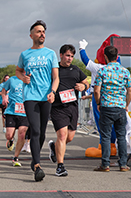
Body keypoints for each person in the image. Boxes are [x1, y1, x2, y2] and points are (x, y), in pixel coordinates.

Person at [15, 20, 59, 182]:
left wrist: (53, 92)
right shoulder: (25, 54)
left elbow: (56, 77)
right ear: (31, 35)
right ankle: (37, 166)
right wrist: (23, 78)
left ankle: (35, 159)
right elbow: (18, 71)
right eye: (39, 31)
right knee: (34, 129)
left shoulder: (50, 54)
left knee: (41, 132)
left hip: (46, 97)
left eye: (44, 32)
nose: (42, 34)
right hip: (30, 97)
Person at [48, 44, 89, 177]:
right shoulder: (54, 69)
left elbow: (86, 82)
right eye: (67, 55)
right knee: (62, 135)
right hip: (58, 107)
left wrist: (83, 86)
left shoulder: (76, 69)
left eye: (71, 56)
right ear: (60, 55)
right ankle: (60, 166)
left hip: (72, 106)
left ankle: (55, 148)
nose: (69, 58)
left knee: (69, 137)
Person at [93, 45, 131, 172]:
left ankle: (105, 164)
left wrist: (99, 103)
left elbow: (96, 90)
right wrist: (126, 104)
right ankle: (123, 164)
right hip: (120, 107)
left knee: (105, 136)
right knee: (121, 136)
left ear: (105, 57)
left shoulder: (102, 71)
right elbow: (130, 90)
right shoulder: (125, 71)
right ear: (117, 56)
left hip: (106, 106)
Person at [2, 75, 29, 167]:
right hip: (12, 111)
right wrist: (4, 97)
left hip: (24, 112)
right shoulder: (12, 79)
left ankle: (15, 157)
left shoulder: (32, 79)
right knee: (9, 135)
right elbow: (4, 90)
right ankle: (11, 140)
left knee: (22, 134)